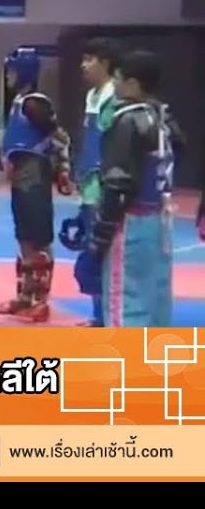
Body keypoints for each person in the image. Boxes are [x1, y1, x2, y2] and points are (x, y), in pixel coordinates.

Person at [90, 50, 183, 328]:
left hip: (131, 223)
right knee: (155, 298)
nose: (115, 85)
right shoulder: (163, 118)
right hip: (160, 221)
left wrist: (101, 235)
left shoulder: (127, 121)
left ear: (132, 83)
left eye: (118, 79)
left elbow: (118, 182)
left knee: (124, 301)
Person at [0, 47, 74, 323]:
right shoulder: (18, 102)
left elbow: (60, 138)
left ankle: (41, 301)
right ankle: (25, 295)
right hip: (20, 176)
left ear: (25, 72)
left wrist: (63, 170)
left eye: (12, 71)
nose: (8, 76)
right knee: (24, 236)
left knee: (39, 237)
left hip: (35, 174)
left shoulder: (34, 104)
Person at [59, 38, 120, 326]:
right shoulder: (92, 97)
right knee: (91, 251)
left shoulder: (115, 97)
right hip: (89, 185)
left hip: (106, 186)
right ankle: (98, 315)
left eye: (89, 60)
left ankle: (110, 315)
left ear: (105, 63)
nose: (83, 66)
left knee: (104, 253)